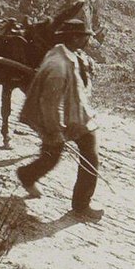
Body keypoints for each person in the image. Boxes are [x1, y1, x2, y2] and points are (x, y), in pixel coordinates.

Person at [17, 18, 103, 221]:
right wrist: (55, 131)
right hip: (59, 121)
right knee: (52, 157)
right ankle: (28, 176)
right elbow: (49, 104)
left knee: (88, 153)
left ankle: (80, 202)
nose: (86, 41)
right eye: (84, 37)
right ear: (74, 38)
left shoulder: (64, 53)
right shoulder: (58, 66)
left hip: (73, 117)